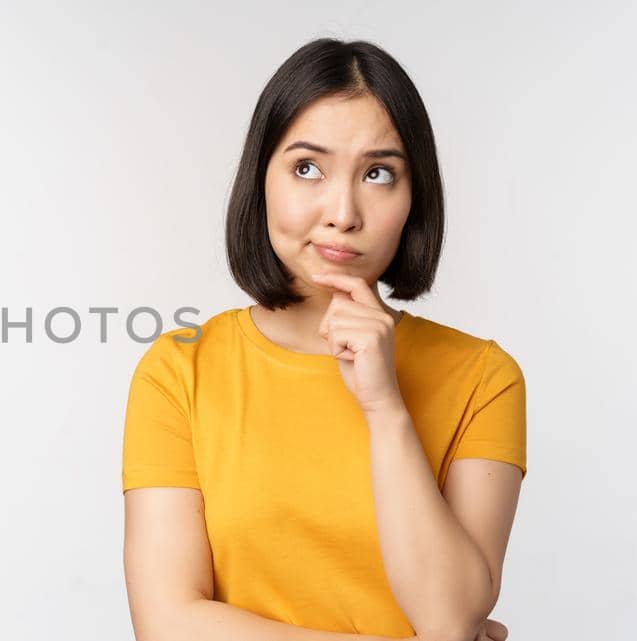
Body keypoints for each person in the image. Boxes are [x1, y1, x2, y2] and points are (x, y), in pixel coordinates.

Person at [121, 38, 525, 641]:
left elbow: (448, 615)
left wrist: (385, 408)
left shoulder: (482, 377)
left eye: (378, 173)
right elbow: (168, 624)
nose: (343, 211)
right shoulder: (180, 370)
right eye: (307, 168)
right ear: (261, 178)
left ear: (415, 199)